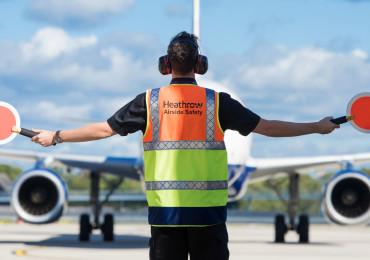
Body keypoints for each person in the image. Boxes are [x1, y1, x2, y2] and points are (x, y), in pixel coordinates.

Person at [31, 31, 339, 260]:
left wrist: (56, 136)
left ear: (165, 65)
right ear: (200, 65)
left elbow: (103, 129)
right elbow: (269, 127)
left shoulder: (149, 102)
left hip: (166, 215)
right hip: (209, 215)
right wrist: (316, 126)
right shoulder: (217, 103)